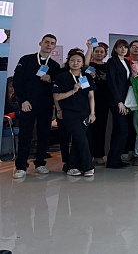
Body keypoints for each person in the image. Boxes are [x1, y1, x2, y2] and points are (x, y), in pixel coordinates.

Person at [14, 34, 60, 179]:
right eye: (46, 42)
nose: (49, 45)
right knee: (25, 134)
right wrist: (23, 100)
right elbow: (17, 81)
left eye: (52, 43)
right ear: (40, 43)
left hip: (45, 105)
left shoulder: (54, 66)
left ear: (54, 46)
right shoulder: (26, 60)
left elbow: (58, 87)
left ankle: (40, 163)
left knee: (44, 134)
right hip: (27, 104)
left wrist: (50, 79)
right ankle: (21, 166)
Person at [52, 51, 96, 177]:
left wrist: (92, 113)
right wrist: (73, 90)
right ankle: (88, 166)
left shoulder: (86, 77)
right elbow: (57, 96)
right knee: (81, 138)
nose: (75, 63)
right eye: (72, 60)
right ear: (68, 62)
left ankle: (72, 166)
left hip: (85, 113)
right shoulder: (62, 77)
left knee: (78, 140)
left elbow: (91, 96)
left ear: (82, 64)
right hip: (69, 113)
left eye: (78, 61)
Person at [105, 39, 132, 169]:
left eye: (125, 47)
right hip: (117, 101)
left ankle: (115, 159)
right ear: (115, 49)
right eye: (120, 47)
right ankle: (113, 159)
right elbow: (111, 82)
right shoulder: (112, 62)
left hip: (125, 101)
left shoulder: (126, 62)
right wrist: (118, 102)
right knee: (122, 130)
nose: (123, 49)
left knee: (119, 130)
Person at [87, 42, 109, 166]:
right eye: (97, 51)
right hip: (90, 101)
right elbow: (85, 65)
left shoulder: (108, 66)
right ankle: (88, 155)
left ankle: (99, 155)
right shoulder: (89, 66)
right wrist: (89, 47)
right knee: (89, 129)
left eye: (101, 52)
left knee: (101, 129)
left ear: (105, 54)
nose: (99, 53)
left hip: (103, 101)